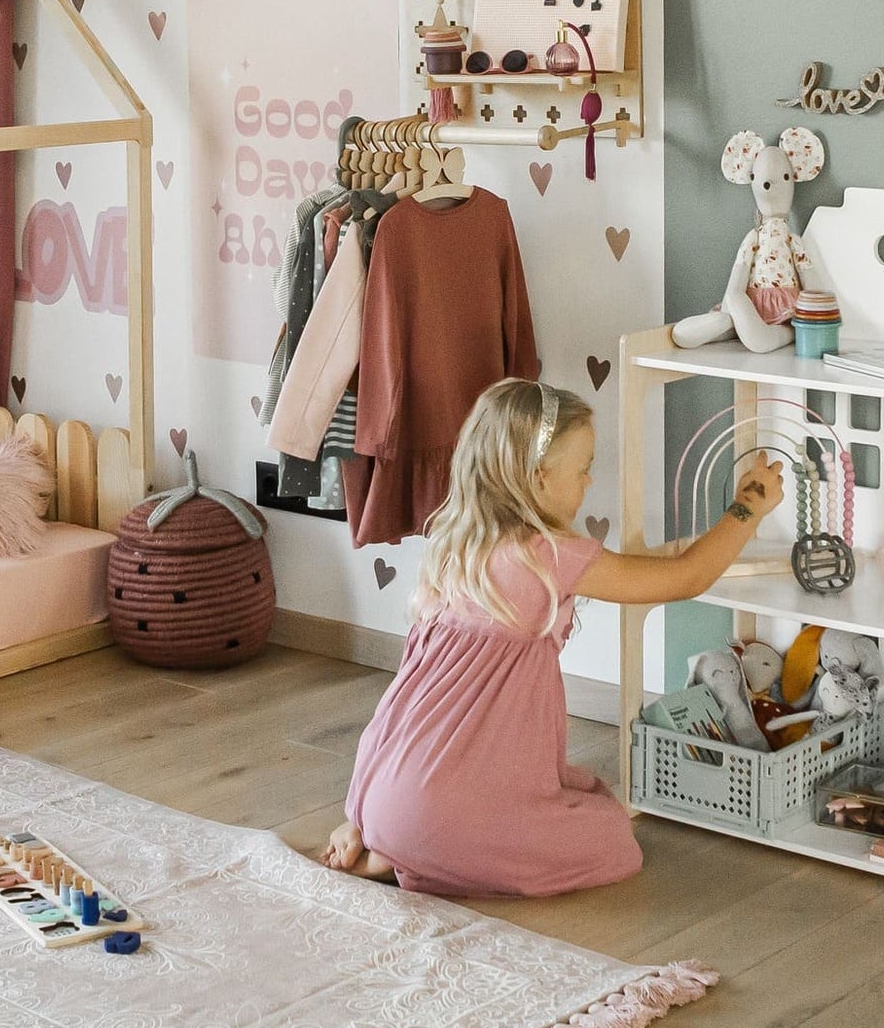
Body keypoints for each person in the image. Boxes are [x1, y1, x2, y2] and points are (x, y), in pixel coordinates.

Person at [320, 378, 785, 897]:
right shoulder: (549, 556)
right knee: (613, 840)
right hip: (433, 804)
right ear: (539, 477)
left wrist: (361, 807)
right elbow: (685, 580)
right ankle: (419, 852)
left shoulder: (457, 547)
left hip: (377, 784)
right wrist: (748, 507)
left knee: (560, 789)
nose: (589, 481)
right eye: (583, 468)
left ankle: (387, 837)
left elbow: (401, 706)